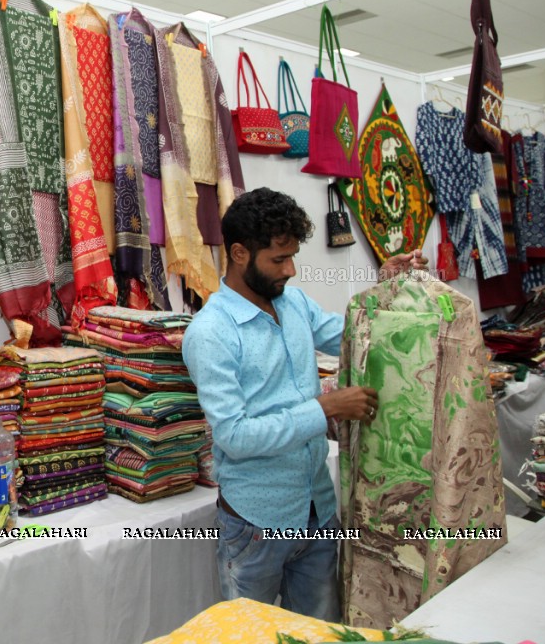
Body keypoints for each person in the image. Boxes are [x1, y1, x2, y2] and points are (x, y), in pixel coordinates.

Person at [182, 187, 425, 621]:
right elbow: (234, 436)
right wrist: (326, 409)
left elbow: (355, 335)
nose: (290, 270)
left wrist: (388, 288)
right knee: (250, 633)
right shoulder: (211, 332)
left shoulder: (291, 302)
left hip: (317, 509)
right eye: (278, 259)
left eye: (292, 256)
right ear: (239, 253)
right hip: (257, 524)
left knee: (320, 631)